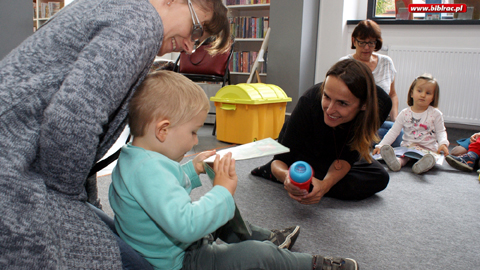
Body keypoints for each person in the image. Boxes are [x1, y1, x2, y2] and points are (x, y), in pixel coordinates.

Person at [0, 0, 232, 268]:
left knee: (111, 237)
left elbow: (83, 128)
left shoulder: (125, 10)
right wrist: (70, 208)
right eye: (195, 31)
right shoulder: (141, 24)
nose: (190, 48)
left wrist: (86, 203)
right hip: (14, 170)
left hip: (26, 159)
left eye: (198, 42)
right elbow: (72, 119)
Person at [109, 70, 359, 270]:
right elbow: (185, 225)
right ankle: (311, 265)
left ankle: (263, 235)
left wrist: (193, 168)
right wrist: (222, 191)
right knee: (259, 256)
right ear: (163, 130)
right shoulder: (148, 172)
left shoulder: (138, 158)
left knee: (222, 215)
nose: (196, 141)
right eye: (193, 132)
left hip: (176, 245)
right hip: (180, 262)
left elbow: (162, 190)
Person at [252, 59, 390, 203]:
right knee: (301, 168)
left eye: (342, 103)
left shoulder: (381, 105)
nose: (330, 109)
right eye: (326, 97)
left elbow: (348, 156)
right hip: (308, 149)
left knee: (379, 176)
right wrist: (286, 177)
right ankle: (300, 176)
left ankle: (308, 179)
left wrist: (324, 186)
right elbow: (279, 162)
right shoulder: (309, 102)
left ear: (364, 105)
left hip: (335, 153)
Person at [339, 19, 403, 147]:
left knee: (401, 134)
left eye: (371, 43)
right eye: (362, 42)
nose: (367, 47)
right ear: (354, 41)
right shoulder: (345, 64)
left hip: (377, 123)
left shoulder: (386, 62)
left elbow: (392, 94)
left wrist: (396, 119)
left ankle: (362, 141)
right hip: (353, 122)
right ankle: (360, 140)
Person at [373, 74, 449, 174]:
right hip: (408, 147)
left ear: (433, 98)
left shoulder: (436, 114)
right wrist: (381, 145)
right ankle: (396, 163)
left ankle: (422, 166)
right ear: (412, 93)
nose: (423, 95)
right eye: (419, 91)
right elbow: (393, 132)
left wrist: (443, 143)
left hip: (428, 150)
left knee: (431, 158)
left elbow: (441, 131)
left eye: (428, 93)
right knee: (403, 157)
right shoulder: (404, 113)